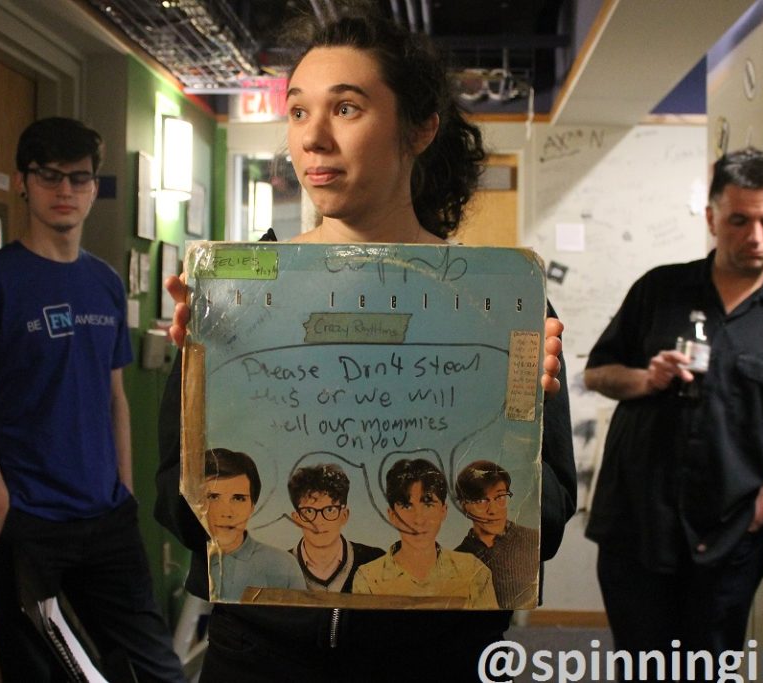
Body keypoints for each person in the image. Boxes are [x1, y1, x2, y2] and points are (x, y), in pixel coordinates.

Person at [154, 13, 576, 682]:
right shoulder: (234, 298)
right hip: (259, 654)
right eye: (297, 111)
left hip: (433, 658)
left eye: (346, 107)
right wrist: (206, 393)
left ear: (421, 127)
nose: (313, 137)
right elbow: (174, 506)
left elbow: (543, 526)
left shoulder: (498, 305)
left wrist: (512, 425)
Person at [0, 118, 185, 682]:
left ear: (94, 189)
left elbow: (115, 399)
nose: (65, 191)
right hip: (28, 524)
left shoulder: (103, 282)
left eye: (79, 179)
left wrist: (122, 491)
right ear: (24, 183)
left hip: (107, 520)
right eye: (49, 176)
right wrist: (9, 525)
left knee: (156, 669)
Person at [583, 148, 763, 676]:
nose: (757, 237)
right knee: (642, 668)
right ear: (713, 217)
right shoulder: (660, 288)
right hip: (637, 528)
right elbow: (597, 373)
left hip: (728, 538)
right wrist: (646, 377)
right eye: (739, 221)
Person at [351, 459, 499, 608]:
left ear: (443, 511)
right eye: (407, 505)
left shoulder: (474, 572)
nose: (419, 519)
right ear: (392, 515)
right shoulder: (368, 578)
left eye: (428, 504)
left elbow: (488, 630)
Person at [203, 448, 307, 601]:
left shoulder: (283, 565)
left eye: (238, 498)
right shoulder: (190, 561)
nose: (226, 512)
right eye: (213, 497)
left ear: (252, 506)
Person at [454, 460, 540, 609]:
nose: (493, 510)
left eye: (500, 497)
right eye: (481, 501)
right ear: (464, 507)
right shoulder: (458, 558)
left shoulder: (533, 540)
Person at [287, 463, 385, 592]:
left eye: (330, 510)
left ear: (344, 515)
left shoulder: (375, 562)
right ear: (297, 518)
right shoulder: (281, 565)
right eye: (309, 511)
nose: (319, 521)